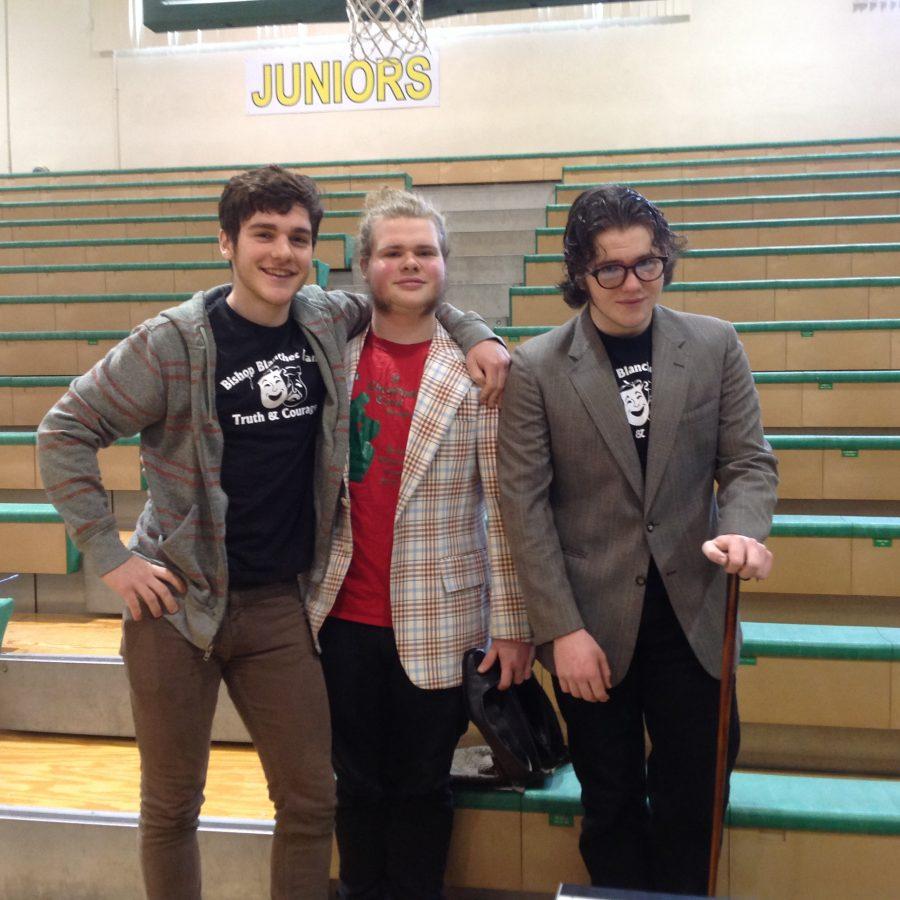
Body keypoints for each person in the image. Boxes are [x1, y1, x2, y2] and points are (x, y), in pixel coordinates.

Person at [36, 165, 510, 900]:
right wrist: (109, 555)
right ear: (227, 243)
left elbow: (408, 298)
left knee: (312, 800)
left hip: (276, 609)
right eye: (263, 234)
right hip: (174, 606)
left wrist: (475, 329)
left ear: (316, 251)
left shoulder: (323, 319)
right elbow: (64, 430)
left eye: (298, 237)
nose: (281, 252)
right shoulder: (171, 342)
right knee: (172, 805)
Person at [497, 184, 777, 895]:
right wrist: (561, 630)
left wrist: (743, 530)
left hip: (694, 616)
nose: (632, 283)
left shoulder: (715, 344)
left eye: (646, 264)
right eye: (610, 269)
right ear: (579, 275)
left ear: (665, 262)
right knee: (611, 803)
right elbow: (524, 506)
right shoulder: (537, 368)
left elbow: (747, 462)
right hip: (592, 627)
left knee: (696, 798)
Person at [306, 188, 533, 900]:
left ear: (444, 263)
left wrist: (513, 624)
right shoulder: (328, 355)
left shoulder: (480, 370)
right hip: (337, 616)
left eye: (424, 251)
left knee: (421, 786)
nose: (410, 263)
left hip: (441, 620)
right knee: (355, 784)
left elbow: (502, 508)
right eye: (393, 251)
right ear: (363, 265)